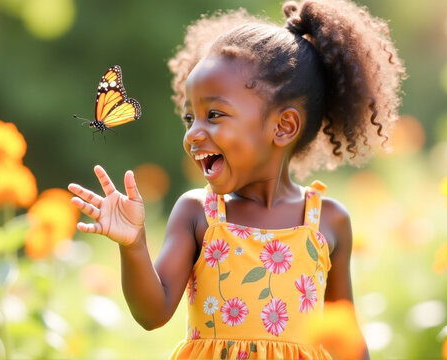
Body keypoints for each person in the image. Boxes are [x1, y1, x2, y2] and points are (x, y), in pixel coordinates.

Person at [68, 0, 405, 358]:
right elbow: (153, 313)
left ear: (283, 126)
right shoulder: (198, 214)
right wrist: (133, 244)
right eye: (189, 119)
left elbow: (348, 336)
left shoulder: (329, 221)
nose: (193, 134)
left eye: (213, 114)